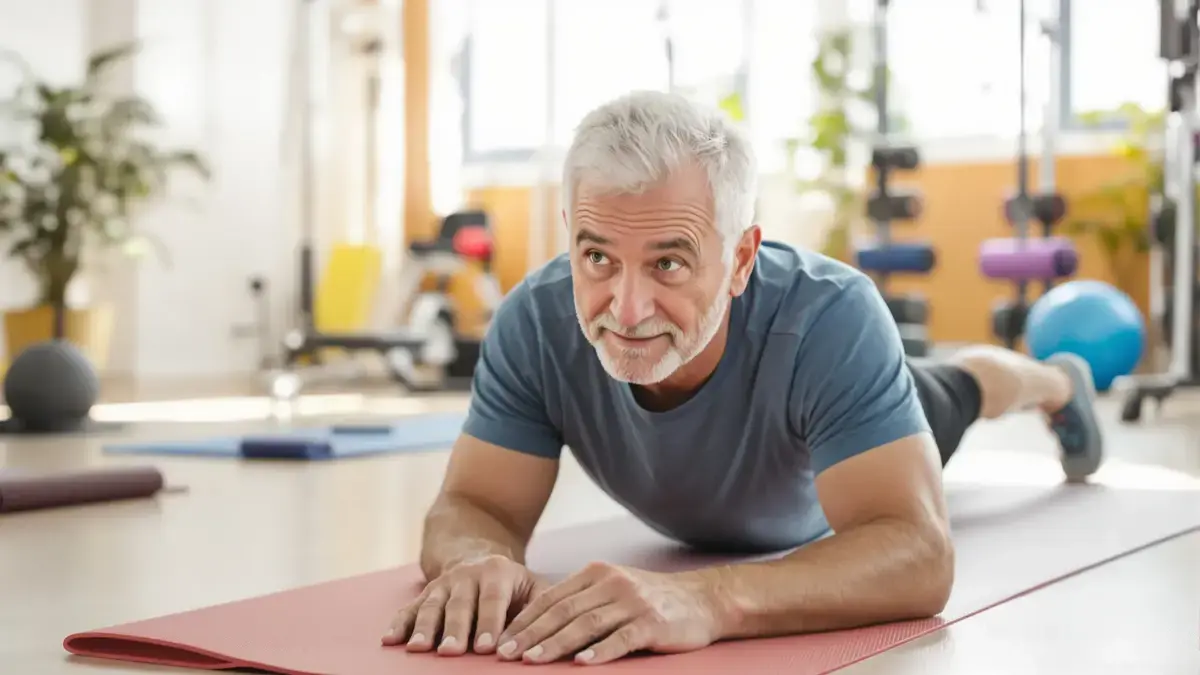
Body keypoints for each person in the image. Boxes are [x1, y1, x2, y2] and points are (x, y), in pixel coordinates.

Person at [380, 90, 1104, 665]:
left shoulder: (831, 321)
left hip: (843, 431)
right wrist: (478, 560)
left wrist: (708, 598)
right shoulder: (535, 323)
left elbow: (918, 555)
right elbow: (473, 503)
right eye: (597, 257)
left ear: (740, 259)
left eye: (668, 263)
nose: (625, 310)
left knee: (960, 388)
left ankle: (1056, 384)